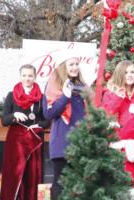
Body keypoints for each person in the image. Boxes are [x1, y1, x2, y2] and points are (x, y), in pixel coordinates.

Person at [42, 49, 88, 200]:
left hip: (80, 142)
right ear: (63, 67)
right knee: (60, 184)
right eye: (71, 64)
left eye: (76, 64)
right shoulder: (53, 88)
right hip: (62, 143)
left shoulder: (83, 88)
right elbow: (49, 114)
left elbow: (88, 113)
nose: (75, 67)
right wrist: (65, 96)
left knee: (80, 185)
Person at [0, 64, 50, 200]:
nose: (27, 78)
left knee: (35, 175)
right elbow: (4, 121)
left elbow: (47, 121)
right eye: (24, 75)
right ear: (20, 76)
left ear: (35, 77)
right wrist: (14, 115)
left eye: (30, 75)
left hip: (34, 142)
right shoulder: (11, 95)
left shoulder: (41, 97)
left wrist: (38, 125)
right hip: (16, 143)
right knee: (14, 175)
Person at [101, 60, 134, 130]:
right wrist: (118, 97)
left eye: (132, 72)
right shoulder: (110, 93)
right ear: (119, 74)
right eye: (126, 72)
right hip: (118, 136)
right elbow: (106, 116)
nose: (130, 75)